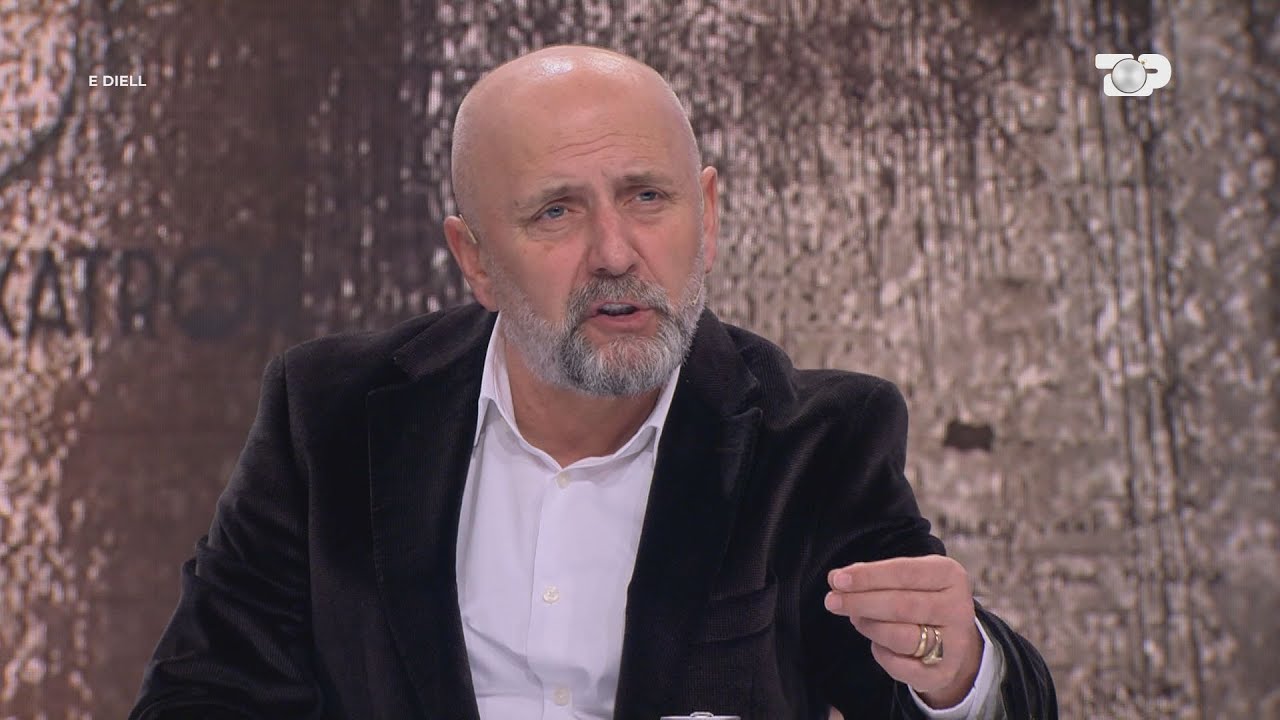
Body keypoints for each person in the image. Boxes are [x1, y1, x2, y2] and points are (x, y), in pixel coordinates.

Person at [129, 45, 1055, 720]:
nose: (615, 253)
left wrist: (955, 672)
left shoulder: (817, 439)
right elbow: (204, 694)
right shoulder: (329, 415)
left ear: (708, 215)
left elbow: (948, 690)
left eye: (648, 197)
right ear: (475, 258)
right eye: (556, 212)